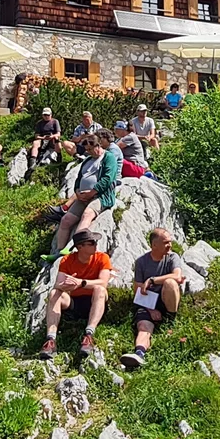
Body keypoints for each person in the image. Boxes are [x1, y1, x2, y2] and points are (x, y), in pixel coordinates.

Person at [38, 230, 112, 360]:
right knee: (55, 293)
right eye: (91, 242)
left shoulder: (102, 258)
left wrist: (81, 283)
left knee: (100, 290)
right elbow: (58, 284)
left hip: (95, 300)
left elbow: (103, 282)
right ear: (80, 247)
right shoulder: (67, 260)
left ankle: (89, 335)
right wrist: (67, 286)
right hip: (75, 301)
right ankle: (51, 340)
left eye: (95, 242)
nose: (95, 244)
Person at [121, 227, 185, 370]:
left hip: (165, 300)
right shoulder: (141, 262)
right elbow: (138, 290)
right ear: (154, 245)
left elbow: (177, 276)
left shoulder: (172, 257)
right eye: (166, 242)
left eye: (170, 242)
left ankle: (170, 319)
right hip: (147, 303)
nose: (170, 245)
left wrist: (152, 280)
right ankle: (139, 353)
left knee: (170, 283)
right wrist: (150, 310)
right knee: (143, 326)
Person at [53, 131, 119, 254]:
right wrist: (77, 192)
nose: (88, 152)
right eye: (86, 149)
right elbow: (79, 179)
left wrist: (92, 192)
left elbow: (107, 178)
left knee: (87, 214)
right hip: (83, 197)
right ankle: (59, 251)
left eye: (90, 149)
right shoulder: (87, 160)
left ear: (98, 146)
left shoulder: (109, 158)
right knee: (66, 220)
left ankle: (73, 246)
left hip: (100, 196)